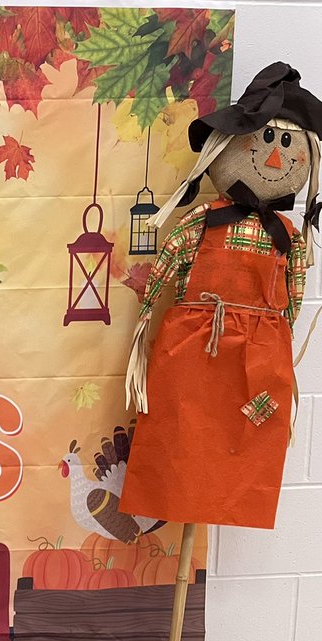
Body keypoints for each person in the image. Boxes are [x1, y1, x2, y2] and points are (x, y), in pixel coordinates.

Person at [122, 62, 322, 529]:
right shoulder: (202, 221)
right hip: (194, 346)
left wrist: (278, 343)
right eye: (262, 141)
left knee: (246, 443)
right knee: (181, 433)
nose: (274, 158)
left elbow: (292, 298)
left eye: (287, 146)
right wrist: (147, 317)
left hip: (257, 356)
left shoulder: (287, 237)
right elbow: (168, 264)